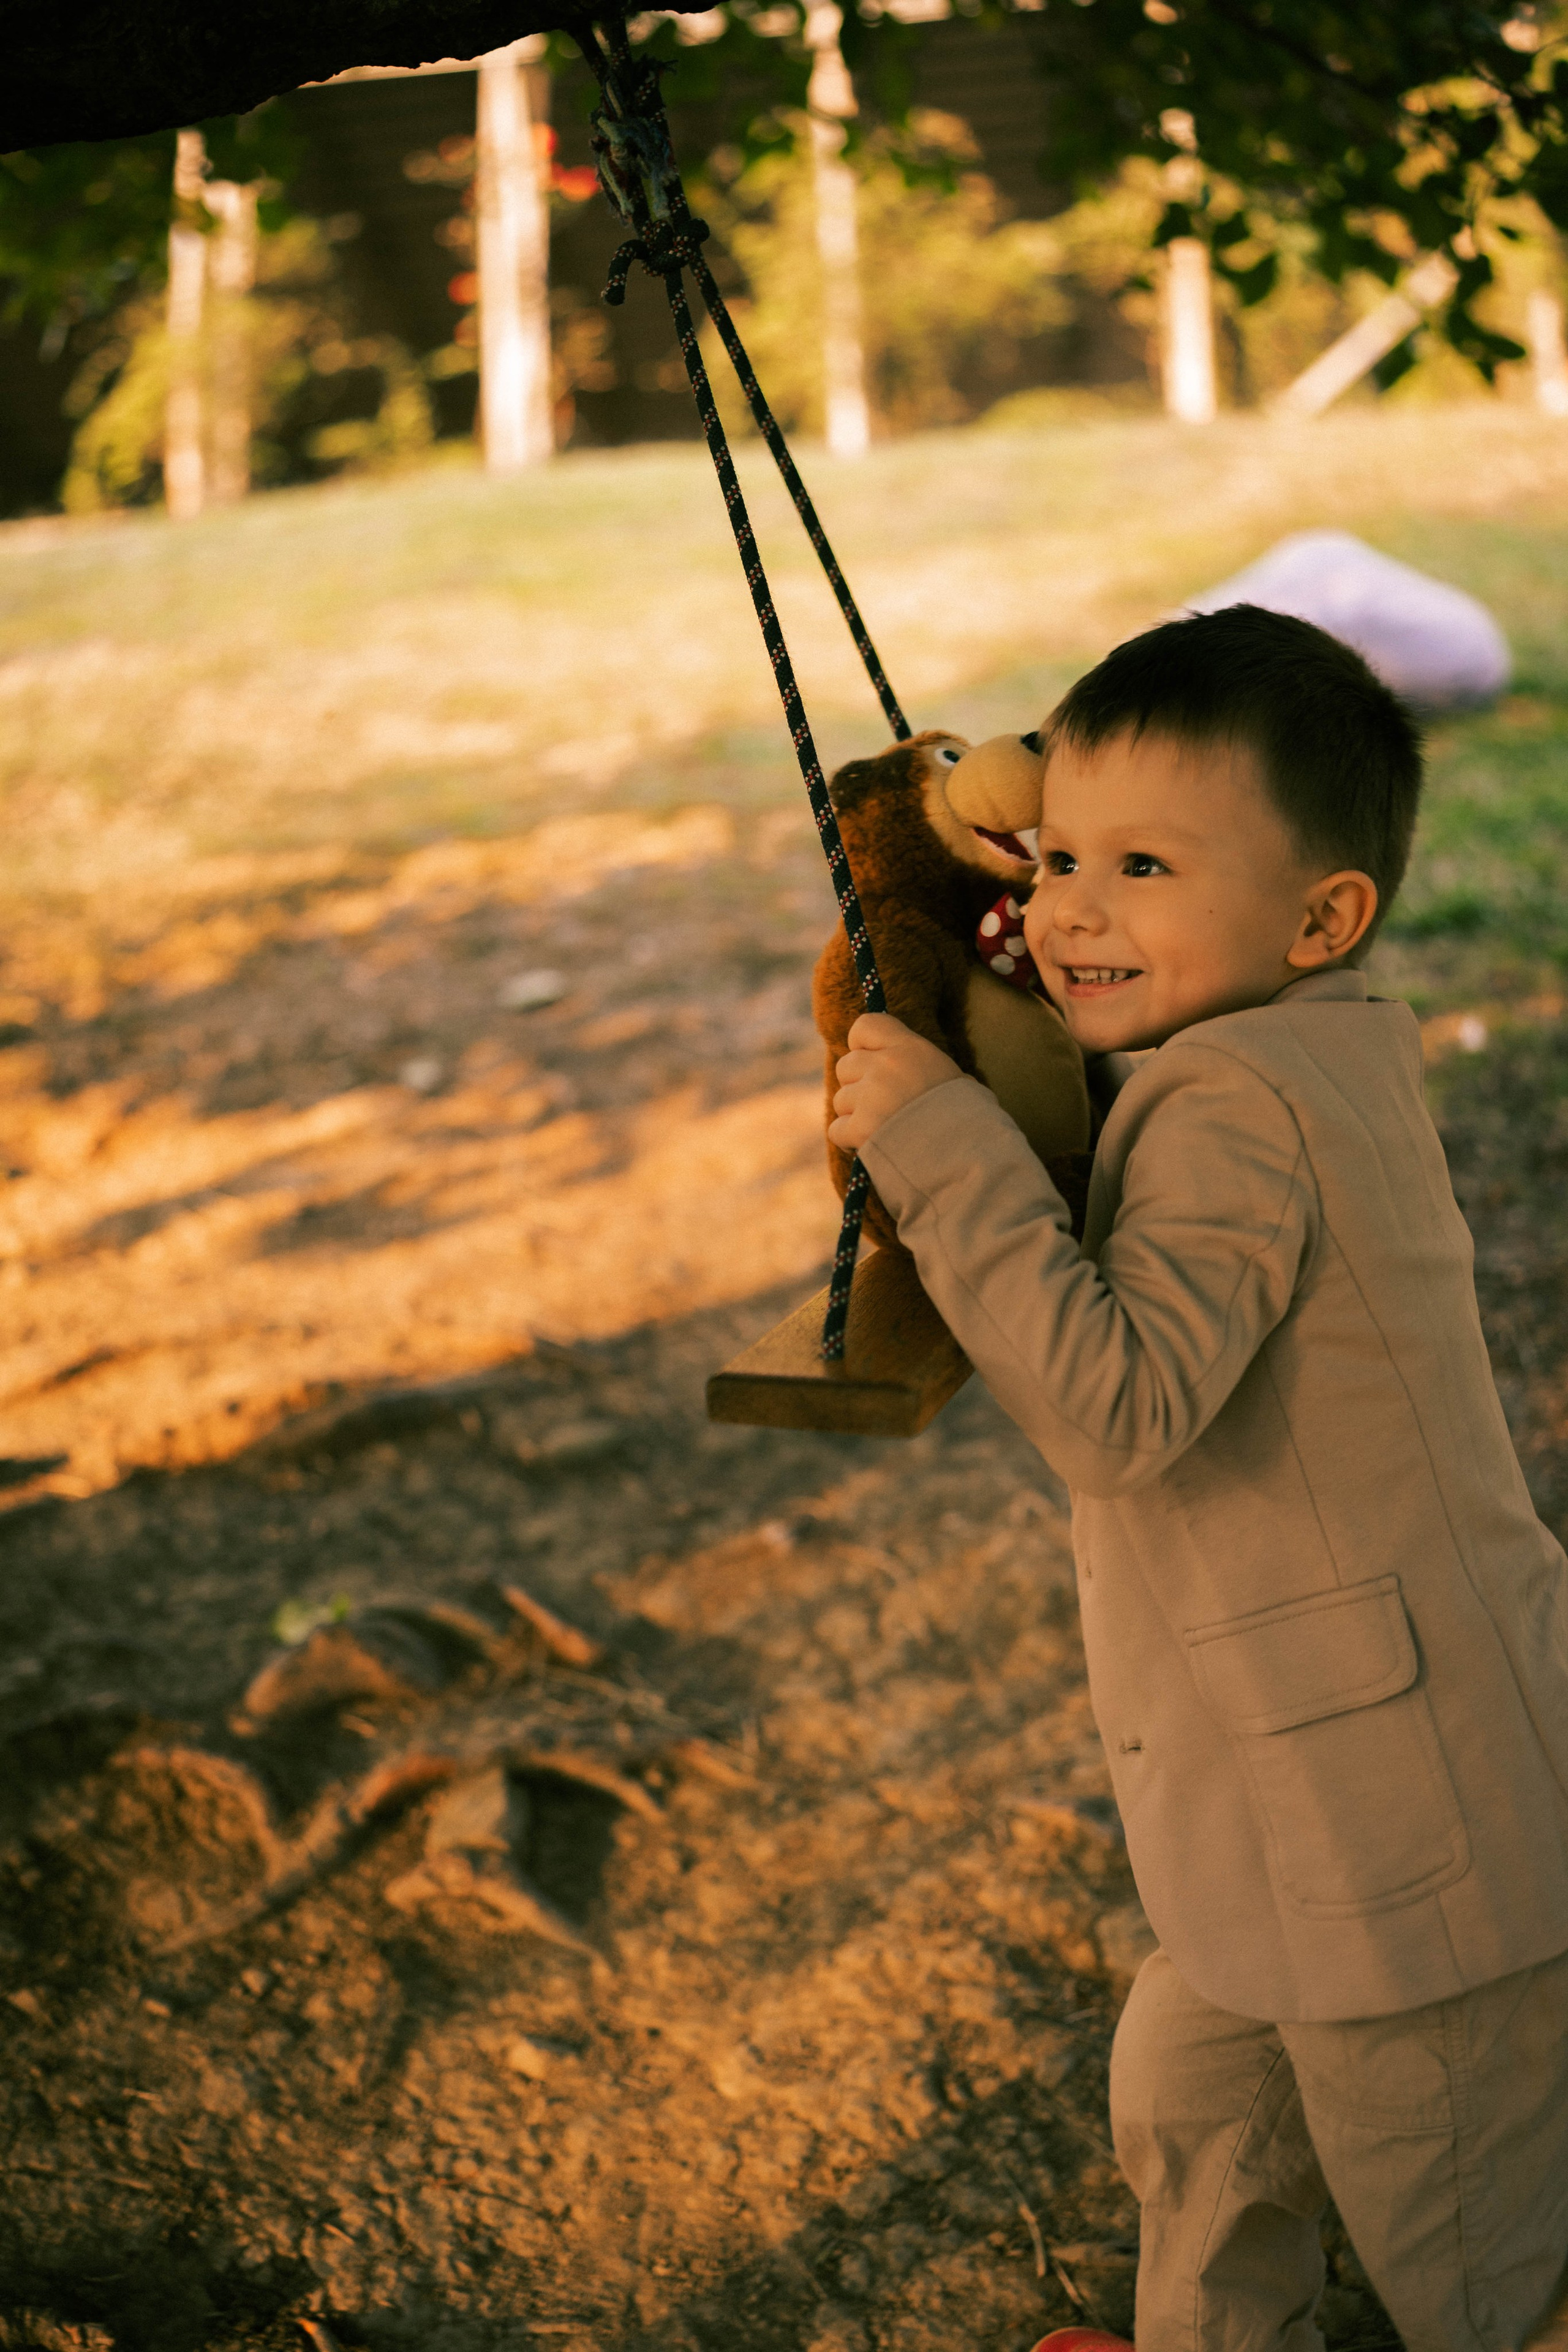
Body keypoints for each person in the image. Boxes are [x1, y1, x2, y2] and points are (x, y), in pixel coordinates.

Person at [828, 606, 1568, 2352]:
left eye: (1145, 866)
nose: (1074, 908)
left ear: (1323, 917)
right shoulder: (1304, 1048)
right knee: (1193, 2104)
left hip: (1407, 1849)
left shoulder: (1237, 1103)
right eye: (1061, 853)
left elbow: (1120, 1406)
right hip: (1294, 1804)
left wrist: (939, 1143)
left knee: (1464, 2247)